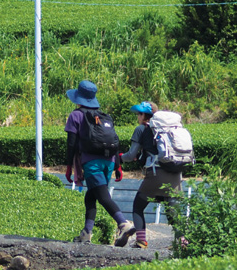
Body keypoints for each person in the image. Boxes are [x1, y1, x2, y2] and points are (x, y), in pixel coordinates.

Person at [64, 80, 135, 246]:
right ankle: (86, 233)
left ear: (78, 98)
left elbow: (71, 144)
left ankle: (123, 224)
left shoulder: (76, 115)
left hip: (92, 163)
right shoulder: (104, 116)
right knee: (91, 196)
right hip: (109, 161)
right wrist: (117, 165)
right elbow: (114, 142)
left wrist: (69, 167)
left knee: (102, 196)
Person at [118, 101, 184, 249]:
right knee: (173, 210)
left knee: (138, 206)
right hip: (175, 173)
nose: (137, 117)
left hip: (155, 174)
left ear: (143, 115)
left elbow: (130, 155)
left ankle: (141, 241)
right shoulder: (169, 130)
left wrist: (119, 157)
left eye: (138, 114)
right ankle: (182, 242)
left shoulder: (141, 129)